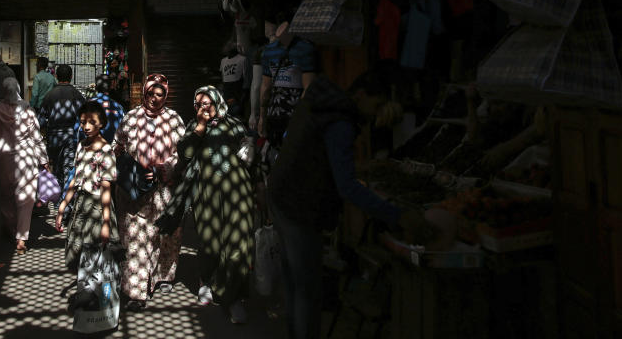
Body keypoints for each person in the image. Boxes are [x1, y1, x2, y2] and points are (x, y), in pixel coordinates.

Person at [268, 71, 437, 339]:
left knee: (295, 286)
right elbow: (347, 187)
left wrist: (363, 167)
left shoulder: (321, 102)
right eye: (377, 105)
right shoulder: (340, 121)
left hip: (282, 196)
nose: (377, 113)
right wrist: (398, 216)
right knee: (307, 292)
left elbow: (320, 157)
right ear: (359, 96)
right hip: (300, 206)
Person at [158, 86, 255, 324]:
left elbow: (251, 154)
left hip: (237, 191)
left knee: (238, 245)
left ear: (217, 102)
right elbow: (185, 153)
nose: (204, 107)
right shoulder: (194, 127)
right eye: (199, 104)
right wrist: (200, 127)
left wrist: (260, 186)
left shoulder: (234, 124)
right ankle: (207, 280)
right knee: (210, 243)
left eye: (207, 102)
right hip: (206, 193)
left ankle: (232, 297)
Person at [114, 73, 186, 310]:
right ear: (144, 92)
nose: (154, 98)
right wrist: (131, 167)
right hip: (136, 190)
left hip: (165, 188)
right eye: (150, 93)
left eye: (160, 94)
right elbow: (119, 147)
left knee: (165, 235)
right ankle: (136, 292)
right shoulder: (131, 117)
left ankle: (163, 275)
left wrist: (166, 168)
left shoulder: (174, 120)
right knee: (136, 238)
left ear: (165, 95)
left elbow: (183, 153)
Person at [0, 77, 49, 255]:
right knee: (26, 199)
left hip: (4, 161)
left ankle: (11, 228)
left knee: (7, 197)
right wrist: (43, 159)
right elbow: (36, 137)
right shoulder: (28, 111)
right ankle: (22, 237)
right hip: (27, 159)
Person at [55, 101, 119, 272]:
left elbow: (106, 189)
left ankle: (92, 294)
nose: (86, 126)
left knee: (95, 252)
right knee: (81, 252)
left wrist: (106, 222)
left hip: (98, 206)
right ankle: (85, 290)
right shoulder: (81, 146)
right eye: (83, 122)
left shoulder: (106, 151)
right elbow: (76, 179)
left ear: (102, 123)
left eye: (92, 122)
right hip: (80, 204)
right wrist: (63, 206)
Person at [258, 22, 320, 146]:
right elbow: (265, 87)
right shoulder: (269, 51)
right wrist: (262, 117)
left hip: (289, 113)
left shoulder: (305, 49)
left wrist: (262, 116)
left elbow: (308, 88)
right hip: (278, 114)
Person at [38, 64, 86, 189]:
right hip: (71, 137)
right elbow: (84, 116)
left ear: (56, 76)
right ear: (71, 76)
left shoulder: (49, 95)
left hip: (53, 137)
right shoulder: (77, 95)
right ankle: (66, 201)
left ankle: (58, 198)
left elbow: (41, 119)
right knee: (69, 168)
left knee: (57, 168)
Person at [75, 74, 124, 144]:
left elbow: (77, 130)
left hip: (90, 149)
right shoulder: (118, 108)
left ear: (96, 87)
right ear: (110, 87)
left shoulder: (86, 106)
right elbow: (123, 131)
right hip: (111, 150)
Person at [220, 43, 249, 118]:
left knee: (237, 114)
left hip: (237, 90)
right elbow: (223, 76)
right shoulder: (223, 61)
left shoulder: (242, 59)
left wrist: (244, 93)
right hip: (226, 90)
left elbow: (246, 77)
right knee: (228, 115)